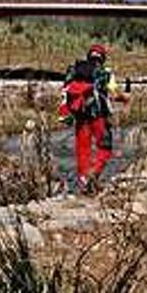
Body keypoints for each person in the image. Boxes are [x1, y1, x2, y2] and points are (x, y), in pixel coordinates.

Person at [59, 44, 129, 194]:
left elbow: (65, 91)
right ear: (102, 58)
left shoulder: (74, 70)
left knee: (82, 150)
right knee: (105, 148)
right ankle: (94, 173)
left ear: (88, 56)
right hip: (99, 116)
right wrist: (125, 98)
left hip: (80, 115)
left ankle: (83, 181)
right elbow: (115, 94)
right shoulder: (105, 73)